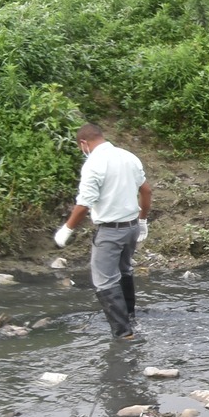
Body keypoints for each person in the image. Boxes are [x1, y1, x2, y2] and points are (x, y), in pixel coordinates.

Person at [51, 124, 151, 340]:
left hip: (110, 232)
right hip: (132, 227)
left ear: (84, 143)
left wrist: (66, 230)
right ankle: (130, 316)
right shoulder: (128, 156)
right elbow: (146, 190)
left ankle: (124, 334)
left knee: (104, 281)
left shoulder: (93, 164)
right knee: (124, 270)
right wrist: (143, 220)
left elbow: (84, 204)